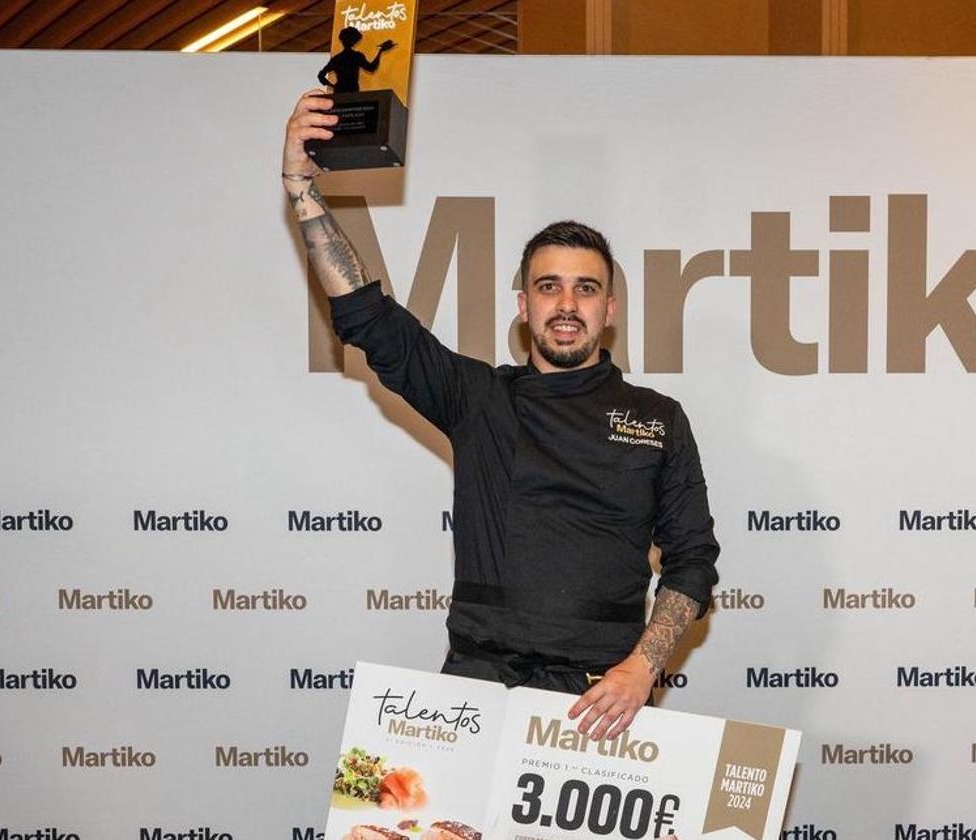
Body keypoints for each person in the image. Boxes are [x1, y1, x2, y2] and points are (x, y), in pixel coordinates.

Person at [282, 91, 719, 742]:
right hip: (472, 695)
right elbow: (370, 319)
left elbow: (692, 562)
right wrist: (300, 189)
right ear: (523, 305)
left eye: (586, 288)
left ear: (610, 309)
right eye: (549, 287)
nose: (566, 304)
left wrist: (640, 667)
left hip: (601, 705)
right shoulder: (478, 398)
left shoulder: (658, 419)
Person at [318, 27, 396, 94]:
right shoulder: (356, 56)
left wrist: (333, 86)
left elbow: (321, 75)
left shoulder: (337, 58)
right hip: (352, 91)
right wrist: (380, 52)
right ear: (354, 41)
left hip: (340, 91)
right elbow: (371, 68)